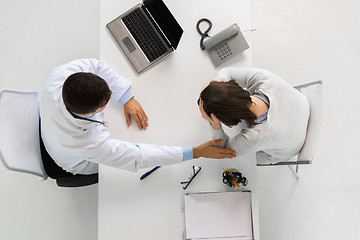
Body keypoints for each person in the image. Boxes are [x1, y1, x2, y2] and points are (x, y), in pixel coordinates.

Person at [39, 59, 236, 176]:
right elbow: (137, 156)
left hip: (52, 130)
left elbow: (97, 66)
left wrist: (126, 98)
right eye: (105, 103)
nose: (110, 98)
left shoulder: (60, 76)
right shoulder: (87, 142)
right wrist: (195, 152)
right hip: (74, 161)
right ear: (86, 114)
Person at [198, 67, 310, 164]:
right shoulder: (262, 78)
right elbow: (227, 72)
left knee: (245, 160)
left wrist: (214, 124)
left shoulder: (255, 137)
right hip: (303, 105)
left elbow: (223, 150)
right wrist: (219, 84)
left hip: (293, 147)